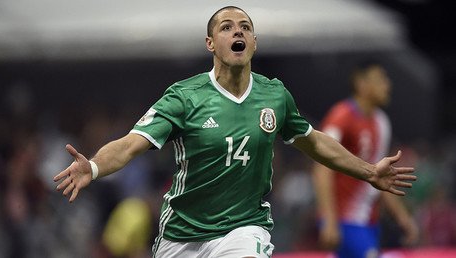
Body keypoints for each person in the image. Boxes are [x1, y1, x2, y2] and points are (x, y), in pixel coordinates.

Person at [53, 6, 416, 258]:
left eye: (245, 26)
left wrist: (370, 172)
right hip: (183, 233)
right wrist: (95, 167)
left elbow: (315, 142)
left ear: (254, 43)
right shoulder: (185, 97)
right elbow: (132, 145)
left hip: (245, 227)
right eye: (226, 27)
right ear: (211, 44)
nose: (237, 31)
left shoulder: (274, 95)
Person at [311, 60, 419, 258]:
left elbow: (381, 176)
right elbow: (321, 169)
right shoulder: (341, 117)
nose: (387, 85)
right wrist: (329, 219)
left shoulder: (381, 122)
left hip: (369, 221)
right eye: (380, 79)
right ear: (361, 84)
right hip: (344, 220)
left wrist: (403, 217)